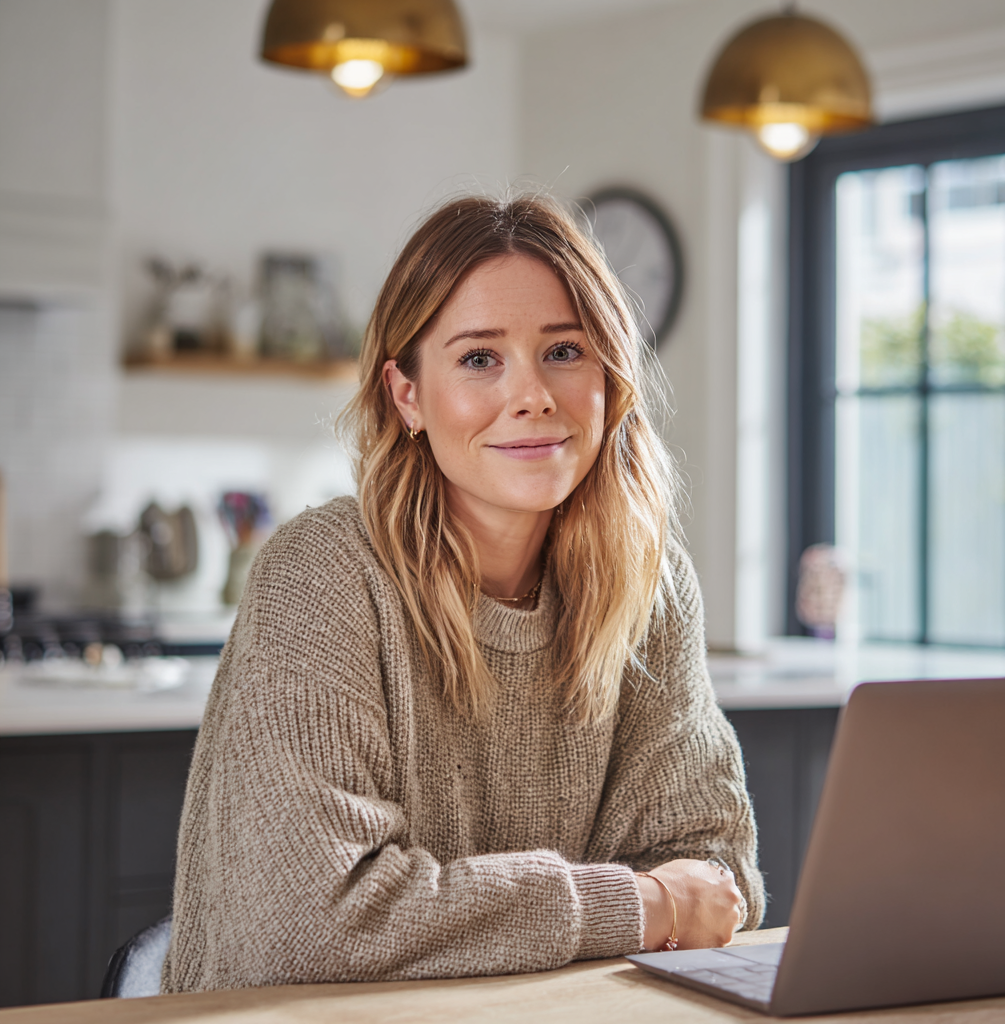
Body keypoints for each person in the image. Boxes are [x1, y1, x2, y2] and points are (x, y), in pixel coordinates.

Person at [162, 191, 764, 993]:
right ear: (406, 395)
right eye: (480, 359)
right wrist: (633, 902)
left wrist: (652, 899)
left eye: (564, 351)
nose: (533, 396)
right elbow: (312, 925)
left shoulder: (650, 588)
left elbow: (717, 878)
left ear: (610, 376)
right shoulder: (322, 574)